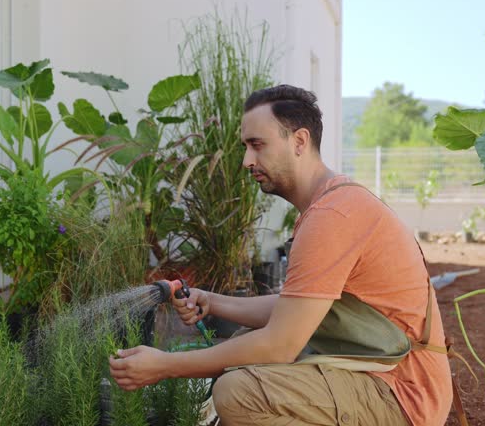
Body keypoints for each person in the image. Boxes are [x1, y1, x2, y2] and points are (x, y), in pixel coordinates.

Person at [109, 85, 453, 425]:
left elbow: (281, 344)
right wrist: (212, 302)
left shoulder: (333, 216)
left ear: (299, 142)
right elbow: (297, 311)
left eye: (257, 145)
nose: (247, 160)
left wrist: (163, 366)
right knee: (244, 349)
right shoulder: (330, 204)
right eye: (246, 147)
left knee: (238, 393)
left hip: (401, 395)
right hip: (381, 375)